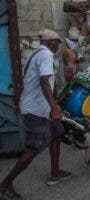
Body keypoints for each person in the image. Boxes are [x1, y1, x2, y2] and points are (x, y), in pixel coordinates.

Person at [0, 29, 72, 200]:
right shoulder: (46, 55)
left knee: (57, 134)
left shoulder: (36, 54)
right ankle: (4, 185)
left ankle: (55, 173)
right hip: (36, 110)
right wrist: (55, 108)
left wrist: (54, 105)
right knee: (34, 147)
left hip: (40, 108)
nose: (58, 46)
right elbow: (44, 82)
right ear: (50, 42)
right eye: (57, 42)